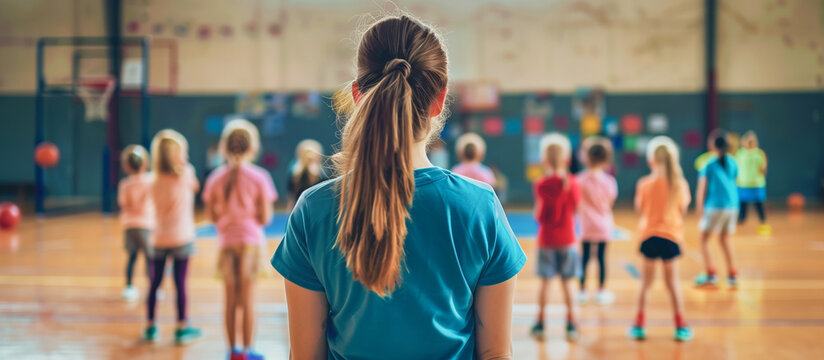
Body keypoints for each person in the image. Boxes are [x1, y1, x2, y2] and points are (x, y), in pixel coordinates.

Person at [271, 15, 525, 359]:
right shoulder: (480, 207)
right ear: (439, 100)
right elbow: (495, 352)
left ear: (358, 95)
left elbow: (305, 354)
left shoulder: (312, 209)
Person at [203, 120, 277, 360]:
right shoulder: (260, 177)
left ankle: (232, 352)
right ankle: (247, 352)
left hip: (227, 245)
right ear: (252, 147)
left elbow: (212, 216)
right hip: (251, 244)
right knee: (247, 301)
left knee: (230, 301)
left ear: (224, 147)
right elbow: (265, 218)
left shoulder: (215, 178)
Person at [629, 136, 693, 342]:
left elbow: (640, 209)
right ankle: (680, 326)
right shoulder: (680, 184)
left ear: (651, 160)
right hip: (671, 238)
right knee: (672, 284)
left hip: (649, 236)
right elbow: (682, 211)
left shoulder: (644, 184)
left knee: (645, 284)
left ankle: (639, 325)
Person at [143, 129, 201, 344]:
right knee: (180, 284)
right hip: (182, 238)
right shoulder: (187, 173)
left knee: (154, 284)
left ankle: (150, 326)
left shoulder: (152, 179)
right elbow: (195, 187)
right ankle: (181, 327)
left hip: (158, 238)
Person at [530, 133, 581, 341]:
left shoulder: (541, 184)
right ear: (566, 158)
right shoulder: (573, 183)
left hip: (547, 241)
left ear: (544, 159)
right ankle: (571, 324)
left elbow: (539, 216)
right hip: (568, 240)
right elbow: (576, 208)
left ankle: (540, 323)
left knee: (545, 283)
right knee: (568, 283)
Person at [694, 134, 740, 287]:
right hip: (732, 206)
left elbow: (702, 188)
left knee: (703, 239)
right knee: (724, 239)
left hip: (715, 205)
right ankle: (733, 274)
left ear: (713, 145)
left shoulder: (709, 164)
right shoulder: (733, 162)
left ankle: (710, 274)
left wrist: (699, 207)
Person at [576, 137, 617, 305]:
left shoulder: (579, 180)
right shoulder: (610, 181)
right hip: (604, 225)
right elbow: (611, 200)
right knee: (601, 257)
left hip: (586, 226)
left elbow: (575, 202)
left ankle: (582, 290)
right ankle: (601, 290)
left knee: (584, 258)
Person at [117, 145, 154, 301]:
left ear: (126, 166)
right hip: (146, 224)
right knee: (149, 257)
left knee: (132, 257)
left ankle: (129, 286)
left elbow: (123, 203)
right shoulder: (150, 180)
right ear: (145, 163)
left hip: (130, 225)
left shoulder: (125, 184)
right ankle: (153, 286)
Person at [735, 131, 770, 236]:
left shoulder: (759, 154)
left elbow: (763, 169)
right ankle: (741, 224)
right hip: (743, 184)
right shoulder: (740, 154)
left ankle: (763, 223)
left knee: (759, 205)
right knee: (743, 206)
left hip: (756, 184)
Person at [286, 139, 326, 210]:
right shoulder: (295, 174)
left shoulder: (323, 174)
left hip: (311, 208)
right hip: (302, 208)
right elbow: (291, 197)